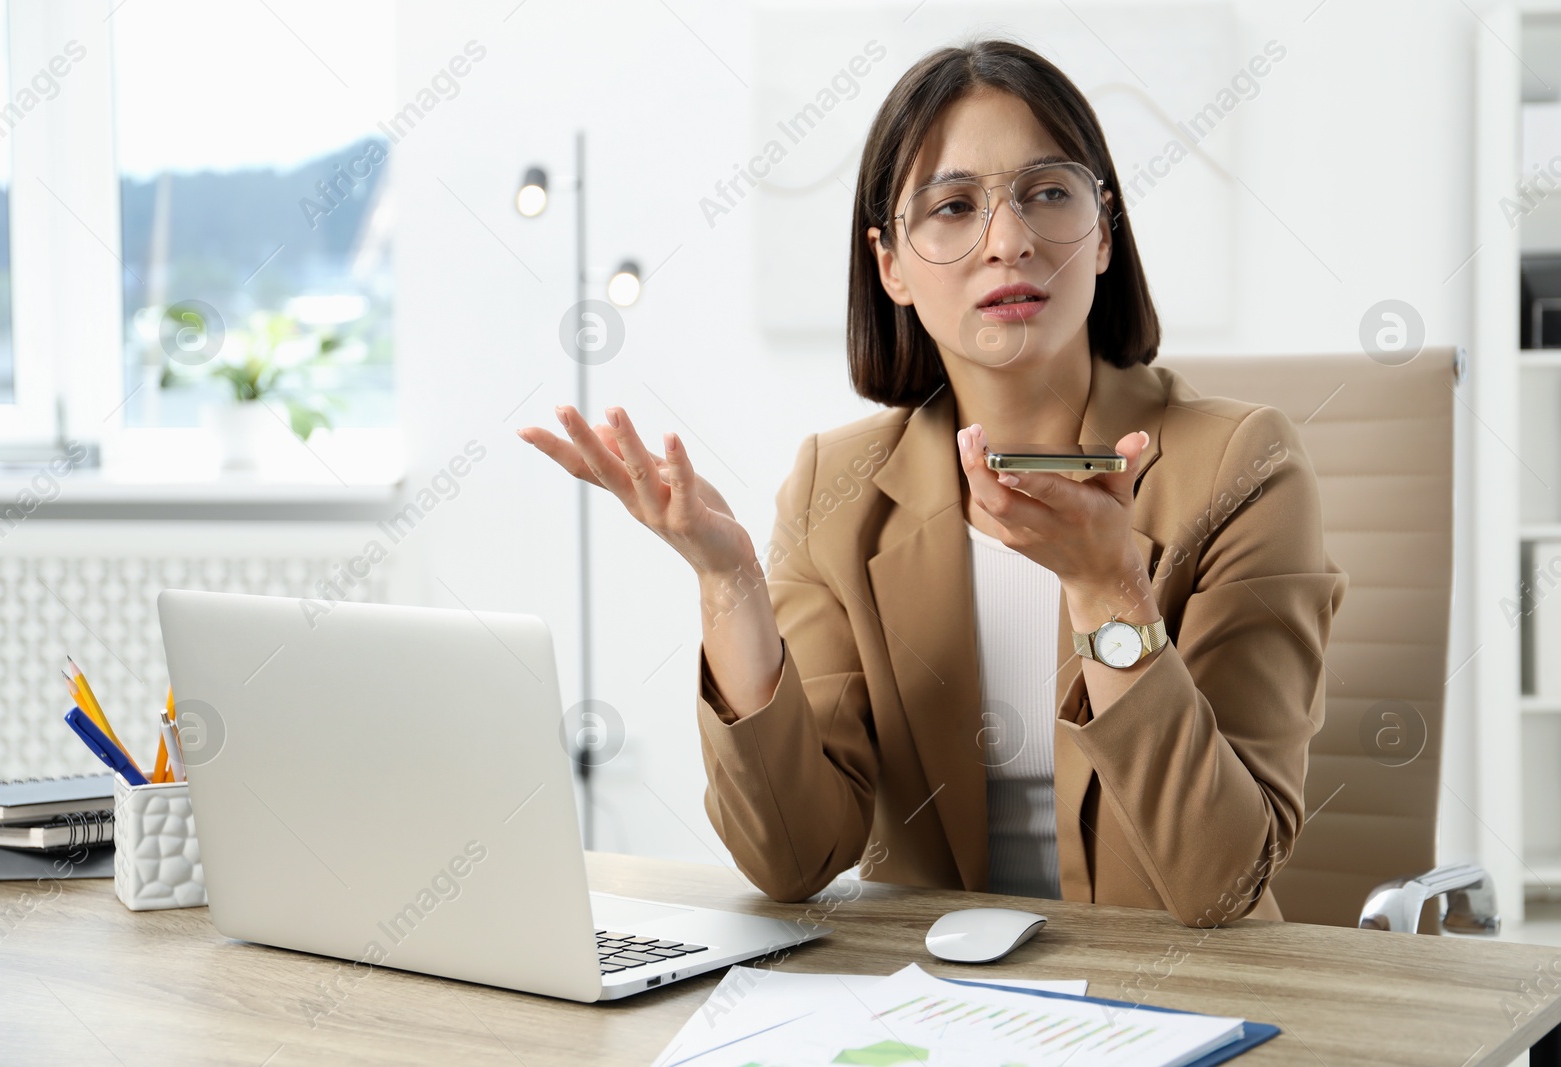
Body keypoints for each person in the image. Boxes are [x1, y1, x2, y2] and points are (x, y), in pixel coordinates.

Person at [519, 38, 1348, 928]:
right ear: (891, 266)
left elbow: (1221, 883)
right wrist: (730, 587)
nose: (1011, 240)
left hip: (1173, 1006)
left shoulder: (1243, 468)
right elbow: (793, 859)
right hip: (931, 1006)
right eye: (955, 207)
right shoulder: (834, 491)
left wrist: (1111, 594)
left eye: (1049, 194)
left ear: (1104, 232)